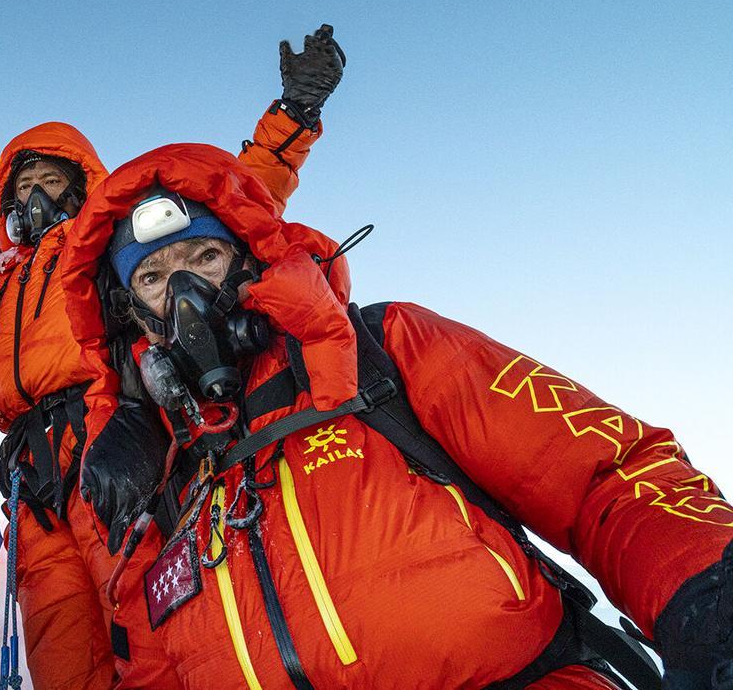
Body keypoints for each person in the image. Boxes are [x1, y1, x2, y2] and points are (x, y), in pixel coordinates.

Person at [58, 144, 733, 689]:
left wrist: (703, 587)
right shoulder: (160, 471)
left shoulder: (387, 350)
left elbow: (600, 471)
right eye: (154, 278)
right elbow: (153, 664)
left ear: (251, 259)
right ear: (133, 316)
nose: (186, 296)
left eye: (205, 258)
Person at [0, 26, 347, 689]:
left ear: (80, 189)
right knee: (62, 654)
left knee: (159, 640)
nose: (35, 196)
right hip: (32, 491)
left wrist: (293, 117)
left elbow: (232, 195)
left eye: (50, 180)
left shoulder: (108, 260)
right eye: (24, 185)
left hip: (119, 449)